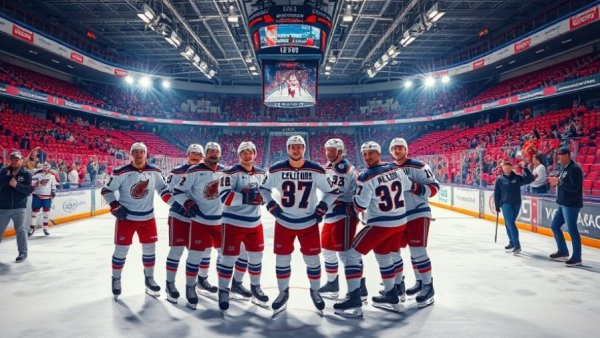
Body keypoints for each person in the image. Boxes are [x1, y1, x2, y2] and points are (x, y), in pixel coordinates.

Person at [333, 141, 428, 317]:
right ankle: (391, 294)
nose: (368, 157)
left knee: (352, 254)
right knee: (384, 256)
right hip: (400, 221)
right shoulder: (396, 170)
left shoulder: (365, 176)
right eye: (365, 154)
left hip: (380, 223)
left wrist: (343, 208)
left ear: (378, 153)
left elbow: (359, 205)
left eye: (371, 153)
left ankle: (354, 297)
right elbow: (411, 187)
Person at [259, 135, 340, 317]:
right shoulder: (276, 169)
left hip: (308, 222)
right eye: (293, 147)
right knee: (282, 259)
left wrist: (322, 207)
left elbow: (332, 191)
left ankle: (315, 291)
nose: (296, 150)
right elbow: (263, 189)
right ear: (287, 149)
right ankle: (283, 292)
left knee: (312, 260)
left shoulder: (316, 169)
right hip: (284, 222)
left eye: (299, 147)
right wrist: (271, 205)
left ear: (304, 149)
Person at [101, 142, 172, 301]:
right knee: (121, 251)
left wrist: (174, 202)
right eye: (136, 152)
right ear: (131, 154)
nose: (139, 154)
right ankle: (116, 279)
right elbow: (107, 190)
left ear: (146, 154)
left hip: (148, 218)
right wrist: (114, 204)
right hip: (126, 218)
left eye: (142, 152)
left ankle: (149, 279)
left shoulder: (154, 171)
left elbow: (162, 189)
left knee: (150, 250)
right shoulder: (121, 172)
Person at [217, 141, 270, 313]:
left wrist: (264, 198)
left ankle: (252, 287)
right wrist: (247, 199)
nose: (247, 155)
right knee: (229, 258)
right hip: (233, 222)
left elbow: (266, 193)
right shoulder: (230, 173)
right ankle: (223, 291)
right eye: (244, 152)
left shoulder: (261, 173)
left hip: (254, 222)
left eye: (250, 152)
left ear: (255, 154)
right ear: (239, 155)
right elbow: (224, 197)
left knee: (256, 257)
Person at [173, 142, 226, 310]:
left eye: (216, 151)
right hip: (199, 220)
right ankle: (190, 287)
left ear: (220, 154)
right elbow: (178, 191)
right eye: (210, 151)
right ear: (206, 154)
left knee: (224, 256)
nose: (213, 154)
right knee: (195, 255)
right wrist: (187, 202)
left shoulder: (226, 171)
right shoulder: (193, 171)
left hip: (220, 221)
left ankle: (223, 288)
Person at [389, 137, 440, 307]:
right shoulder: (388, 170)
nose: (397, 150)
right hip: (398, 215)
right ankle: (417, 282)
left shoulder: (418, 166)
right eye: (394, 148)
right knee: (398, 251)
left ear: (406, 150)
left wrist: (414, 186)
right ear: (390, 151)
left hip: (418, 212)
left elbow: (434, 188)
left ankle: (428, 286)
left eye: (400, 148)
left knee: (418, 250)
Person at [318, 138, 367, 301]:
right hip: (331, 215)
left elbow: (337, 191)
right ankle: (332, 283)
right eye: (327, 150)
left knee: (345, 254)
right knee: (327, 251)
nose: (328, 153)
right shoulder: (330, 167)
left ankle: (359, 288)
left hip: (344, 215)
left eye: (332, 150)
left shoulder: (343, 168)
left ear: (340, 151)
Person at [163, 144, 204, 304]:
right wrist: (181, 205)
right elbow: (167, 192)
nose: (195, 156)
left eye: (198, 154)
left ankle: (196, 283)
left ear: (202, 156)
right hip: (179, 216)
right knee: (176, 250)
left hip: (200, 218)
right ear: (187, 155)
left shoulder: (207, 171)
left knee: (199, 252)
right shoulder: (177, 171)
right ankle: (170, 284)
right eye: (192, 154)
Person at [548, 147, 583, 267]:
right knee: (554, 226)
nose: (558, 157)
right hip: (563, 204)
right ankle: (563, 251)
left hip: (571, 204)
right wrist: (557, 182)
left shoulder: (574, 169)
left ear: (568, 155)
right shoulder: (564, 168)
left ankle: (577, 257)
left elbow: (575, 188)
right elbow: (562, 184)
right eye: (558, 155)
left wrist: (559, 182)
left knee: (572, 230)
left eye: (561, 155)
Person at [493, 159, 534, 254]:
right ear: (502, 168)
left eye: (508, 167)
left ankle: (511, 242)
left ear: (511, 168)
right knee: (510, 223)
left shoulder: (517, 178)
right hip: (505, 204)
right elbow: (497, 193)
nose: (507, 168)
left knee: (509, 223)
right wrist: (497, 206)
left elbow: (530, 179)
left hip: (516, 203)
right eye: (505, 167)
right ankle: (517, 245)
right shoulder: (499, 180)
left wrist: (525, 169)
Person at [0, 151, 34, 263]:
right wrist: (9, 176)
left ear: (21, 160)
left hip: (19, 208)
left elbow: (28, 191)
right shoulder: (4, 171)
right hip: (3, 207)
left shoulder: (26, 174)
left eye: (17, 160)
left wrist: (17, 185)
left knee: (20, 230)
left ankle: (23, 253)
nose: (14, 162)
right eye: (12, 159)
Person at [28, 162, 57, 237]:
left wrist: (53, 192)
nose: (46, 168)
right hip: (37, 196)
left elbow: (53, 186)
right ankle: (32, 228)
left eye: (47, 167)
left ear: (49, 168)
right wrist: (37, 183)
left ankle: (45, 228)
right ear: (42, 167)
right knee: (34, 213)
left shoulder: (52, 176)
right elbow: (32, 184)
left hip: (47, 197)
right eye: (45, 166)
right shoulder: (36, 175)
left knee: (46, 213)